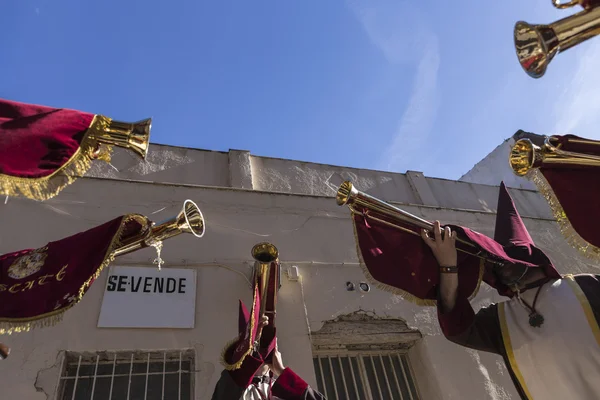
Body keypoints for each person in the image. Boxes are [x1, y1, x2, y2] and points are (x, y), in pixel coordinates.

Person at [420, 182, 600, 400]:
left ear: (532, 256)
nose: (502, 266)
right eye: (497, 261)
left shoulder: (586, 286)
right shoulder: (501, 319)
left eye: (509, 258)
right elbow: (457, 327)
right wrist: (448, 267)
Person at [211, 315, 326, 400]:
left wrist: (282, 372)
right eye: (254, 348)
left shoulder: (281, 392)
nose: (259, 354)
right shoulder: (231, 386)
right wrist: (250, 342)